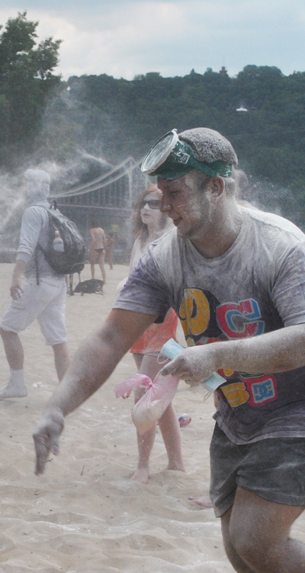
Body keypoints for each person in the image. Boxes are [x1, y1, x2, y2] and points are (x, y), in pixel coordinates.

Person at [33, 128, 305, 573]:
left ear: (216, 187)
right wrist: (59, 407)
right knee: (240, 552)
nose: (163, 206)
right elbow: (112, 335)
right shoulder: (165, 257)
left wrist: (217, 354)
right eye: (160, 194)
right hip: (238, 413)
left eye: (175, 192)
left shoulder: (280, 245)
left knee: (256, 539)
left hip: (304, 410)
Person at [0, 169, 71, 399]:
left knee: (7, 328)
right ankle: (67, 393)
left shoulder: (33, 211)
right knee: (58, 339)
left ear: (33, 186)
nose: (23, 188)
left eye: (25, 183)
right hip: (58, 282)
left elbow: (26, 246)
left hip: (39, 281)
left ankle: (17, 385)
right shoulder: (54, 210)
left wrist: (16, 276)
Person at [126, 186, 183, 484]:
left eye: (154, 203)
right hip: (137, 321)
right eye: (142, 204)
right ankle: (176, 463)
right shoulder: (140, 239)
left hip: (163, 321)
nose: (146, 208)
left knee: (145, 393)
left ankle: (143, 466)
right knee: (162, 399)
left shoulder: (172, 240)